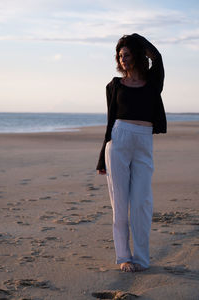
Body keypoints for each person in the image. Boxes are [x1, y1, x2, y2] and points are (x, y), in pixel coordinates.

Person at [96, 33, 167, 272]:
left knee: (141, 203)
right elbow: (109, 124)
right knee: (120, 203)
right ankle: (124, 257)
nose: (123, 59)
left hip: (143, 141)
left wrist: (135, 38)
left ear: (136, 55)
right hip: (118, 140)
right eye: (120, 55)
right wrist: (100, 157)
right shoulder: (114, 86)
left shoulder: (153, 82)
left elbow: (157, 57)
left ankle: (142, 259)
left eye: (127, 54)